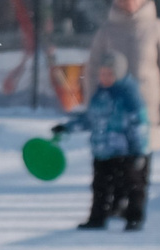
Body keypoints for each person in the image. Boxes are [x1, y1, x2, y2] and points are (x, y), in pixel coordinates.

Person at [83, 0, 160, 161]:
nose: (129, 3)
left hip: (146, 103)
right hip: (112, 106)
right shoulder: (107, 31)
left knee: (140, 160)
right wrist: (92, 101)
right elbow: (92, 68)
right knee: (113, 161)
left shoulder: (157, 28)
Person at [55, 56, 151, 230]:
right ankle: (98, 218)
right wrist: (67, 127)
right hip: (102, 151)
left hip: (124, 152)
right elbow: (90, 119)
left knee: (131, 186)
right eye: (102, 74)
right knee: (100, 187)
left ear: (119, 74)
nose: (104, 78)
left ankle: (134, 218)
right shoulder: (100, 94)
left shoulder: (129, 95)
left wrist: (139, 152)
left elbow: (139, 124)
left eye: (109, 74)